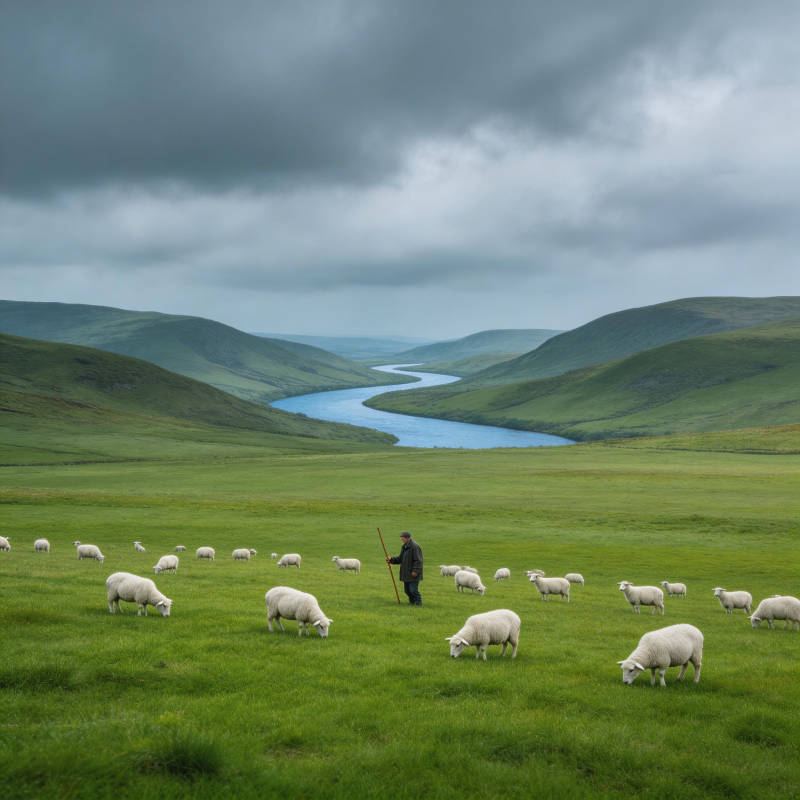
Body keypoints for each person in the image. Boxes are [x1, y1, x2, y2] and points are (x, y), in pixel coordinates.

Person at [387, 531, 423, 606]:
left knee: (413, 590)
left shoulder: (415, 546)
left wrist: (415, 571)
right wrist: (392, 560)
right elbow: (400, 558)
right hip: (406, 573)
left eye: (403, 538)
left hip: (413, 573)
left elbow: (419, 561)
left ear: (408, 538)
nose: (402, 539)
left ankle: (419, 604)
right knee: (407, 591)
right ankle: (412, 602)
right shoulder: (404, 547)